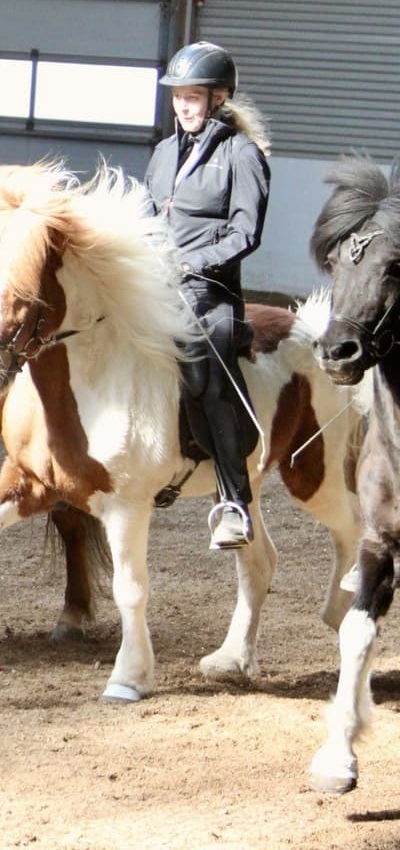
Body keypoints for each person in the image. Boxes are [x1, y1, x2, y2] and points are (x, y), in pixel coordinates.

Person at [144, 41, 270, 551]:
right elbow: (148, 217)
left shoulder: (242, 154)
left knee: (205, 368)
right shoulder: (162, 152)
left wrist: (193, 263)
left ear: (219, 99)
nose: (183, 106)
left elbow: (246, 233)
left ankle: (234, 501)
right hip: (155, 281)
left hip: (208, 288)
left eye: (193, 97)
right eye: (178, 97)